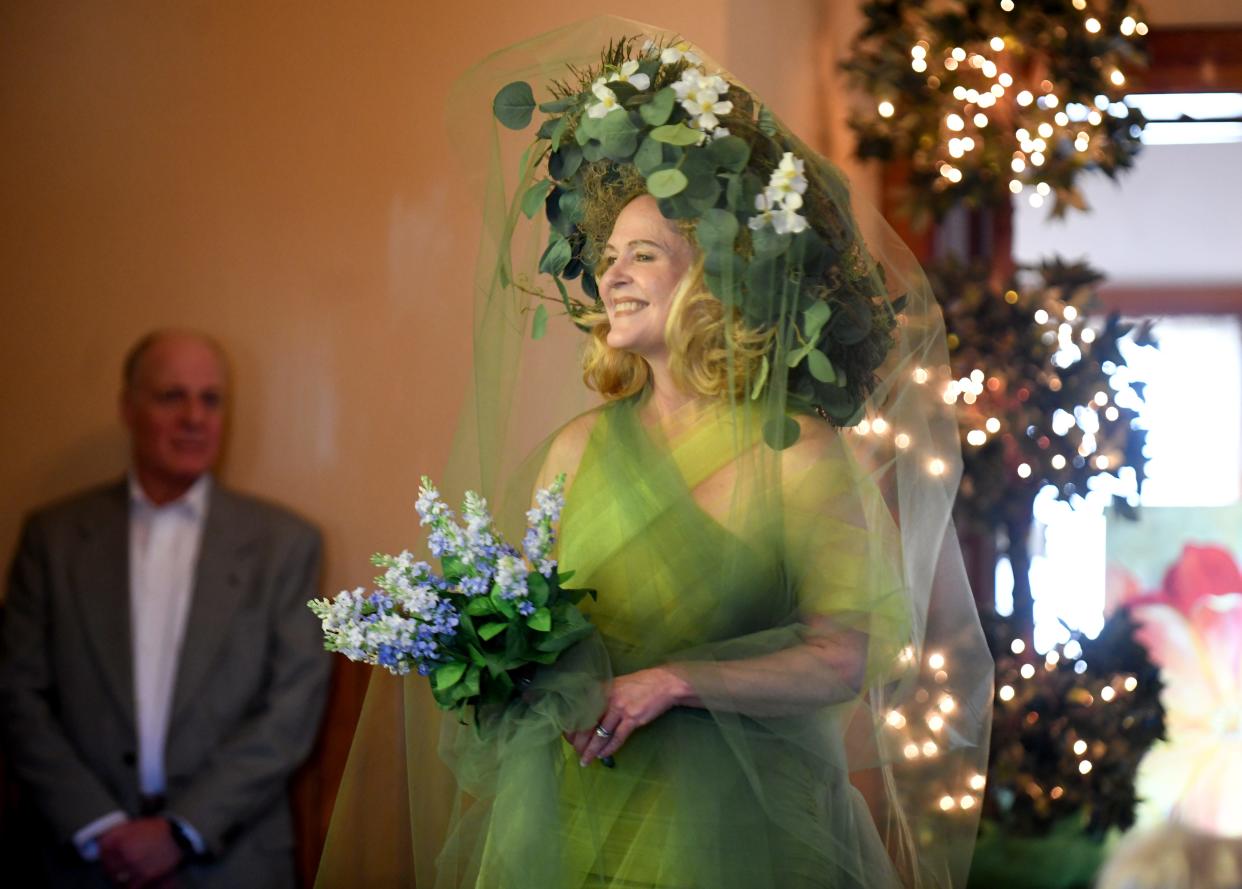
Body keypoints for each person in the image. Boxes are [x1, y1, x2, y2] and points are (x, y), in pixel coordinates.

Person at [317, 19, 992, 889]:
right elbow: (534, 633)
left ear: (710, 278)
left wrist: (675, 680)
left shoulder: (797, 452)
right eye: (605, 258)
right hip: (575, 821)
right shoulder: (575, 449)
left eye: (644, 254)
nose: (611, 275)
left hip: (744, 835)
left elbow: (846, 656)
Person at [0, 329, 332, 889]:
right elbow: (17, 693)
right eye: (171, 396)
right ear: (128, 407)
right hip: (80, 859)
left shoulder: (287, 543)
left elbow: (290, 710)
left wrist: (181, 830)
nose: (194, 418)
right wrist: (97, 823)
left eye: (210, 399)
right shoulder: (53, 537)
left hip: (232, 858)